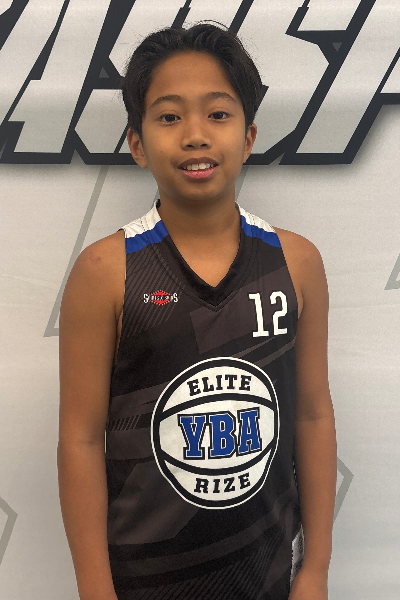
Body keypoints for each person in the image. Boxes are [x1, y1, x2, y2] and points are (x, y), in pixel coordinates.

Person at [57, 23, 337, 600]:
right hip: (144, 579)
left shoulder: (297, 263)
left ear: (249, 136)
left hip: (267, 576)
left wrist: (315, 569)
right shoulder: (105, 271)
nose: (195, 135)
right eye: (168, 116)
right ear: (136, 144)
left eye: (218, 114)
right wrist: (93, 586)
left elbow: (312, 415)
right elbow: (80, 440)